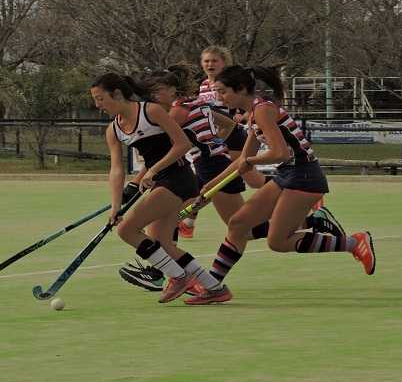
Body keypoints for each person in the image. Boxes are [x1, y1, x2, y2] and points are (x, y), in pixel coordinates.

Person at [117, 65, 346, 298]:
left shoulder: (177, 112)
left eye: (223, 91)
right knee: (235, 227)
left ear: (168, 90)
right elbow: (230, 127)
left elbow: (166, 150)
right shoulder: (194, 105)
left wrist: (142, 179)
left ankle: (176, 275)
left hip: (211, 166)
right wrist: (220, 150)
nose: (218, 97)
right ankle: (198, 281)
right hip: (211, 166)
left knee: (235, 229)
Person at [183, 65, 376, 305]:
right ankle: (214, 287)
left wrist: (250, 162)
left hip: (304, 176)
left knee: (278, 242)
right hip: (287, 174)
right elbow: (242, 160)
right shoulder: (254, 113)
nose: (219, 99)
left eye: (222, 92)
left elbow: (280, 153)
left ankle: (353, 242)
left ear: (241, 89)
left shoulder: (263, 110)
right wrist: (208, 187)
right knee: (238, 223)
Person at [92, 72, 229, 303]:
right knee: (163, 243)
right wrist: (115, 206)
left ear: (116, 94)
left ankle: (178, 277)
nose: (97, 105)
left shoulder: (150, 111)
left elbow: (182, 144)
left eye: (100, 98)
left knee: (126, 229)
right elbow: (116, 170)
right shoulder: (113, 130)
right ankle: (215, 288)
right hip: (162, 183)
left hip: (178, 178)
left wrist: (153, 171)